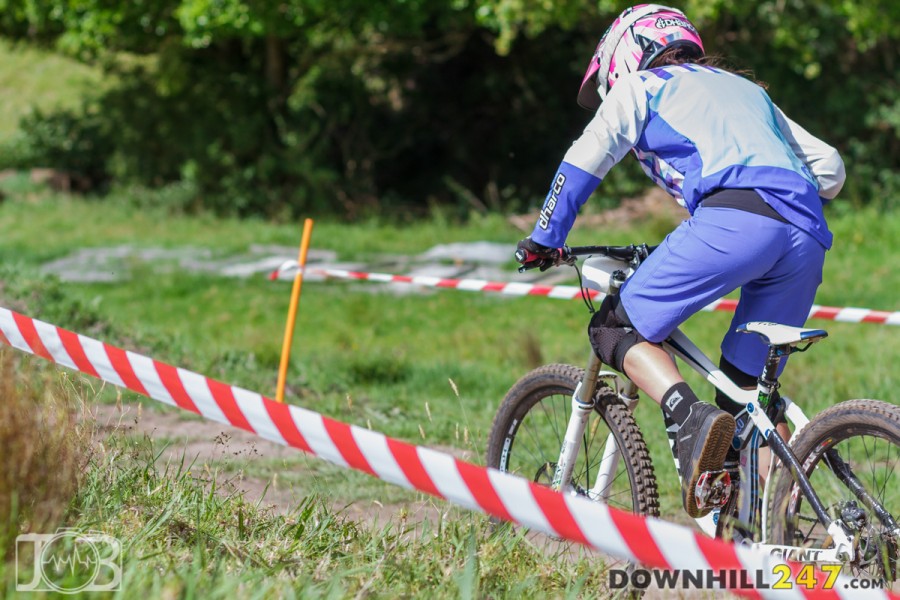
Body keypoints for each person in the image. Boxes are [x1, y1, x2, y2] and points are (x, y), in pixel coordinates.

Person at [516, 4, 845, 518]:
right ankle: (797, 527)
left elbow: (585, 157)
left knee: (613, 328)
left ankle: (686, 417)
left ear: (624, 58)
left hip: (736, 222)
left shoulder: (641, 87)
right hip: (806, 234)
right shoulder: (747, 90)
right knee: (743, 396)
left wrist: (544, 236)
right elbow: (829, 168)